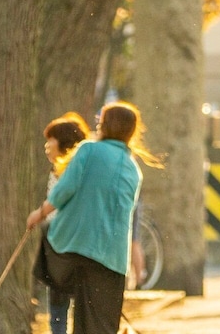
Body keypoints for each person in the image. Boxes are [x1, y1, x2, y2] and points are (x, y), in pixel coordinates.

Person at [26, 103, 163, 334]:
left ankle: (57, 327)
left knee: (54, 267)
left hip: (74, 248)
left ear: (105, 125)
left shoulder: (88, 150)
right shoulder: (133, 169)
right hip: (113, 260)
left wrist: (39, 213)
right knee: (100, 326)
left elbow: (64, 190)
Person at [31, 112, 89, 324]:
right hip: (58, 239)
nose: (47, 146)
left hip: (70, 242)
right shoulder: (56, 171)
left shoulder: (72, 171)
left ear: (64, 142)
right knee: (58, 294)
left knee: (63, 294)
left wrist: (40, 214)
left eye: (51, 140)